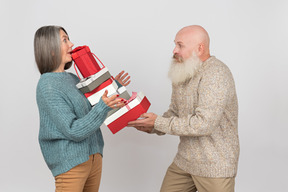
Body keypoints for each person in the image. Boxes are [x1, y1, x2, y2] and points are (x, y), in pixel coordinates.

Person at [128, 25, 239, 192]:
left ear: (200, 48)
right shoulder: (183, 70)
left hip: (215, 164)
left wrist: (158, 123)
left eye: (180, 45)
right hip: (185, 161)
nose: (174, 50)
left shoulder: (216, 73)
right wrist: (151, 125)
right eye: (175, 44)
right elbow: (175, 112)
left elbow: (204, 123)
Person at [34, 25, 130, 192]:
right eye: (64, 40)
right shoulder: (47, 85)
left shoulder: (72, 78)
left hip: (93, 158)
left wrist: (114, 88)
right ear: (50, 49)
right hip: (71, 163)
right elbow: (73, 130)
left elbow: (91, 109)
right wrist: (102, 106)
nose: (71, 44)